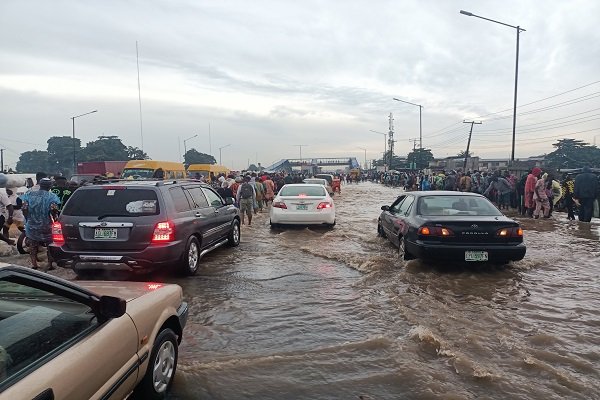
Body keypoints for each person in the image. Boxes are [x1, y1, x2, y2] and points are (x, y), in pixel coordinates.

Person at [19, 178, 61, 270]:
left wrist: (28, 218)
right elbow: (54, 210)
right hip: (46, 224)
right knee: (50, 245)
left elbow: (24, 208)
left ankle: (34, 264)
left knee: (33, 245)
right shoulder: (52, 196)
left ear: (40, 185)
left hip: (32, 224)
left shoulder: (29, 194)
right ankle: (50, 264)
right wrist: (55, 219)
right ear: (50, 186)